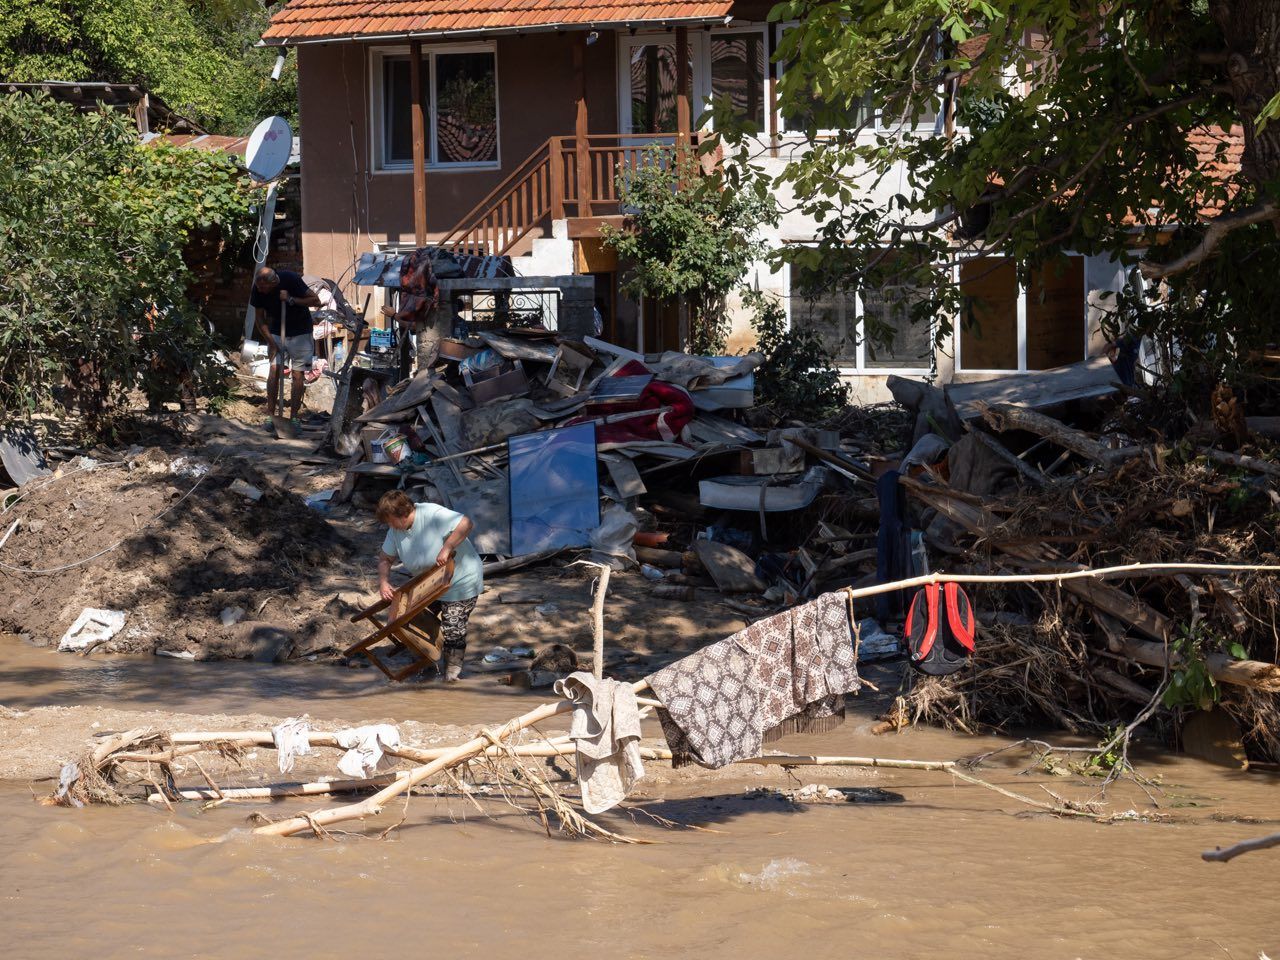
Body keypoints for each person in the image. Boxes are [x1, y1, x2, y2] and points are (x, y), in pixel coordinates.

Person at [376, 490, 483, 682]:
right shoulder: (395, 530)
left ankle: (452, 674)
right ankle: (428, 659)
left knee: (453, 628)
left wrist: (447, 547)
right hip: (429, 583)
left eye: (391, 520)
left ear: (403, 514)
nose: (389, 526)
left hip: (460, 578)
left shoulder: (432, 513)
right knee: (408, 617)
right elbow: (385, 559)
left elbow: (466, 523)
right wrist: (384, 582)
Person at [251, 267, 322, 425]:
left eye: (264, 288)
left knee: (297, 375)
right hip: (277, 331)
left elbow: (316, 301)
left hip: (301, 331)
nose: (261, 291)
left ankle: (294, 418)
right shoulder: (258, 288)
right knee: (274, 370)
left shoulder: (290, 279)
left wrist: (291, 299)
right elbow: (259, 319)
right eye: (258, 288)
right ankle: (271, 415)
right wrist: (271, 342)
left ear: (273, 282)